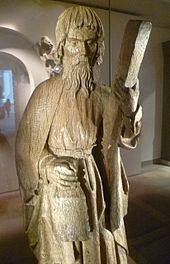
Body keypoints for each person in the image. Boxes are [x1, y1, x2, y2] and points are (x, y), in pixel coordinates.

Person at [16, 6, 142, 264]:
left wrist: (129, 112)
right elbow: (25, 151)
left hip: (97, 186)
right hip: (60, 191)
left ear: (99, 49)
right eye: (75, 42)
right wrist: (49, 165)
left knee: (100, 246)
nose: (83, 51)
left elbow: (121, 140)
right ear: (62, 47)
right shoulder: (45, 95)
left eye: (90, 43)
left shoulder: (105, 95)